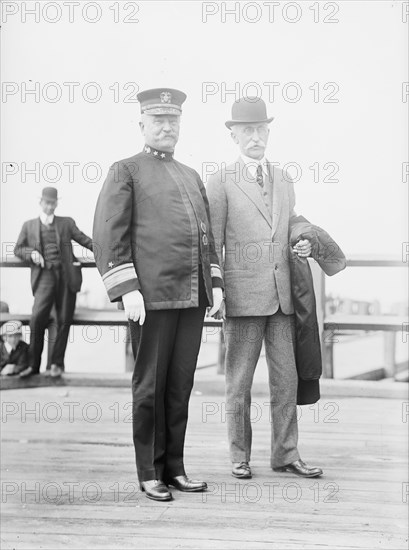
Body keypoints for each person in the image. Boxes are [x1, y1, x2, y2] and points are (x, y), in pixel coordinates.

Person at [93, 88, 223, 502]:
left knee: (180, 385)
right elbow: (107, 235)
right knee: (149, 386)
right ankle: (150, 471)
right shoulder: (125, 170)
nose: (167, 127)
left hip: (191, 298)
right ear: (143, 125)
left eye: (173, 121)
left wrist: (215, 283)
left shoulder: (190, 175)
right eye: (158, 121)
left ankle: (175, 468)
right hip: (150, 300)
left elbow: (207, 239)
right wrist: (127, 288)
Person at [206, 96, 323, 479]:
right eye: (247, 130)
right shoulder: (220, 180)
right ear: (234, 136)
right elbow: (213, 241)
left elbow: (288, 223)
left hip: (283, 298)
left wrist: (301, 241)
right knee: (238, 384)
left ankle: (286, 454)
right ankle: (239, 455)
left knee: (286, 382)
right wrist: (218, 290)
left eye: (260, 129)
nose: (255, 137)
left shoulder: (284, 178)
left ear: (268, 132)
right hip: (241, 298)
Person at [14, 187, 93, 378]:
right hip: (44, 278)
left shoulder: (66, 223)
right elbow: (18, 249)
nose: (50, 206)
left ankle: (56, 363)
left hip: (66, 277)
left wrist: (106, 249)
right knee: (37, 319)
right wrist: (31, 253)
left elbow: (84, 240)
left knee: (64, 320)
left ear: (57, 203)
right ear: (40, 202)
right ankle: (33, 365)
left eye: (53, 203)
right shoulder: (29, 225)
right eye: (47, 202)